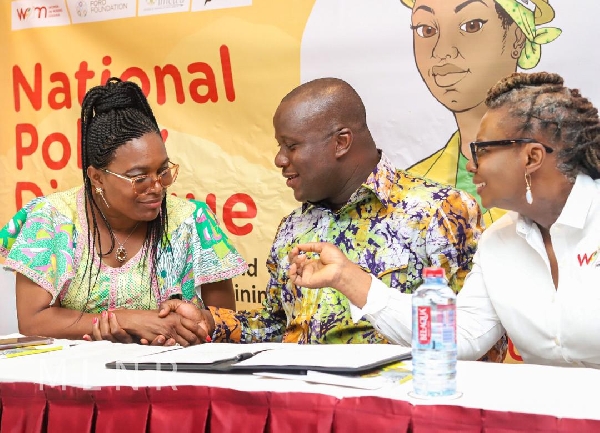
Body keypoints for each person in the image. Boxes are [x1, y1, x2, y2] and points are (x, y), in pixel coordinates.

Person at [288, 72, 600, 368]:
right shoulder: (499, 241)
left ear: (531, 157)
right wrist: (347, 278)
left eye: (481, 151)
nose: (470, 165)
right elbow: (460, 337)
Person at [161, 77, 486, 346]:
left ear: (341, 142)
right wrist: (210, 321)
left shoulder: (438, 212)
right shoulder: (294, 227)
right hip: (301, 411)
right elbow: (274, 328)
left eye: (291, 146)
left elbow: (470, 337)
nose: (279, 160)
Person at [0, 78, 247, 345]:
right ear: (97, 178)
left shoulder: (191, 221)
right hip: (75, 378)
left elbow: (225, 321)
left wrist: (180, 331)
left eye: (163, 171)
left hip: (173, 375)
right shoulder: (51, 219)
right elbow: (33, 320)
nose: (156, 187)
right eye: (139, 178)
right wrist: (128, 320)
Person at [402, 0, 561, 226]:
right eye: (426, 30)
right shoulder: (413, 186)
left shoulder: (570, 178)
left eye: (472, 25)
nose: (442, 52)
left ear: (517, 37)